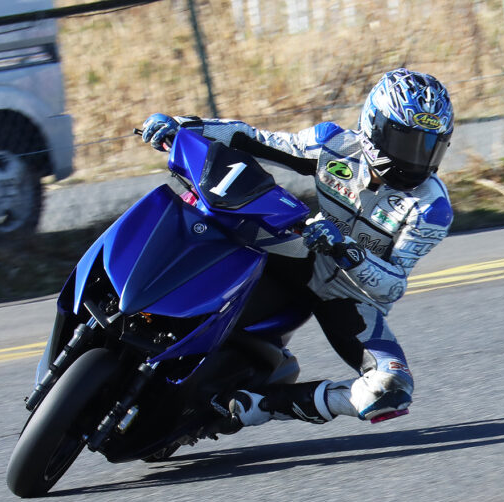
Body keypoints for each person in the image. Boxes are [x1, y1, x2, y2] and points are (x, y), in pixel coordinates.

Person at [141, 68, 454, 428]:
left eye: (430, 147)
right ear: (374, 127)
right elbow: (254, 139)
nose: (417, 159)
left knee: (391, 387)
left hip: (350, 296)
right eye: (408, 143)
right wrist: (183, 127)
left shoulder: (433, 209)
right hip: (299, 253)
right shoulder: (333, 144)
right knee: (220, 220)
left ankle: (264, 404)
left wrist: (347, 251)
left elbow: (393, 285)